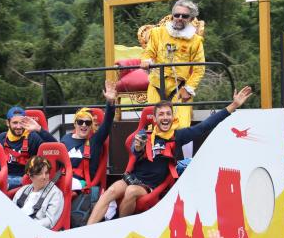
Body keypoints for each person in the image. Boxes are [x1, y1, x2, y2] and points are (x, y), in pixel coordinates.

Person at [87, 86, 252, 224]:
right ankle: (87, 231)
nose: (165, 117)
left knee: (130, 191)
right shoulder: (145, 134)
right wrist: (137, 147)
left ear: (172, 118)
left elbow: (205, 126)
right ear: (156, 118)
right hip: (133, 177)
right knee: (110, 192)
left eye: (168, 114)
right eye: (161, 114)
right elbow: (134, 151)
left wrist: (233, 106)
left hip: (150, 186)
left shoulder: (178, 136)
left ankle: (118, 230)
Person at [140, 0, 205, 158]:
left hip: (180, 89)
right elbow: (149, 53)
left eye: (184, 16)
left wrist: (188, 89)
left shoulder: (196, 41)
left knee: (182, 127)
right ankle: (151, 160)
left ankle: (185, 164)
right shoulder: (157, 33)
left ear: (190, 19)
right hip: (157, 85)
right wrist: (146, 61)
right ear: (172, 15)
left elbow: (199, 68)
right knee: (152, 123)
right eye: (177, 15)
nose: (179, 19)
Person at [61, 81, 117, 201]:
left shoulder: (95, 141)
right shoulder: (65, 139)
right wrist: (39, 130)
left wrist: (110, 103)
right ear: (75, 124)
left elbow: (107, 123)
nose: (84, 125)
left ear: (91, 126)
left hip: (80, 184)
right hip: (62, 179)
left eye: (88, 122)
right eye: (80, 122)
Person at [0, 106, 57, 189]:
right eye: (15, 123)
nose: (19, 126)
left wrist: (39, 129)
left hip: (26, 180)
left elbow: (55, 147)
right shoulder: (0, 138)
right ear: (7, 123)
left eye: (22, 122)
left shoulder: (33, 137)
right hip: (4, 177)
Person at [12, 156, 64, 229]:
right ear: (30, 176)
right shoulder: (22, 191)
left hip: (36, 233)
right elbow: (12, 212)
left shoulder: (55, 194)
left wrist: (27, 226)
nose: (44, 177)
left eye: (46, 173)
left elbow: (50, 221)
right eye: (40, 173)